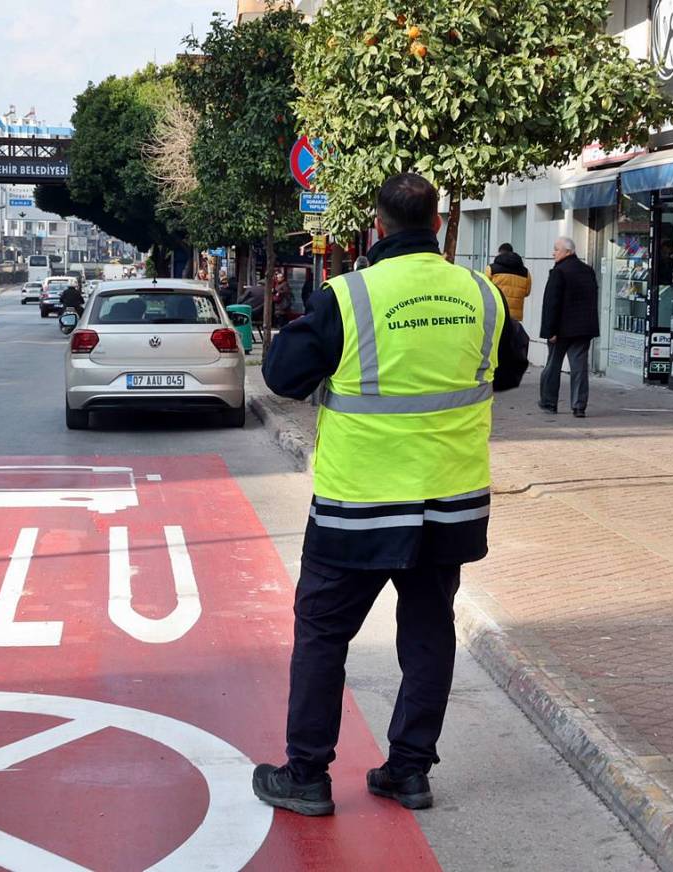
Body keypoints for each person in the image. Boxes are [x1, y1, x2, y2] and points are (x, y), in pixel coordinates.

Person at [253, 173, 527, 817]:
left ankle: (307, 775)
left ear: (377, 227)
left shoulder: (347, 296)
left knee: (323, 634)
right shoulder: (482, 295)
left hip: (359, 507)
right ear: (436, 225)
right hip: (450, 504)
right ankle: (408, 771)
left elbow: (282, 376)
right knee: (429, 635)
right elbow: (511, 369)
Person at [539, 237, 599, 418]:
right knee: (579, 367)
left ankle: (549, 403)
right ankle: (579, 406)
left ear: (568, 252)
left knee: (552, 366)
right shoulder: (588, 271)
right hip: (582, 329)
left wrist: (550, 331)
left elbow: (551, 303)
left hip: (561, 330)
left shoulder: (559, 272)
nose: (553, 253)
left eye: (556, 249)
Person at [485, 243, 531, 321]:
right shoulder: (525, 272)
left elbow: (484, 290)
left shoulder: (491, 269)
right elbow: (527, 292)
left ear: (499, 253)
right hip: (515, 317)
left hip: (497, 314)